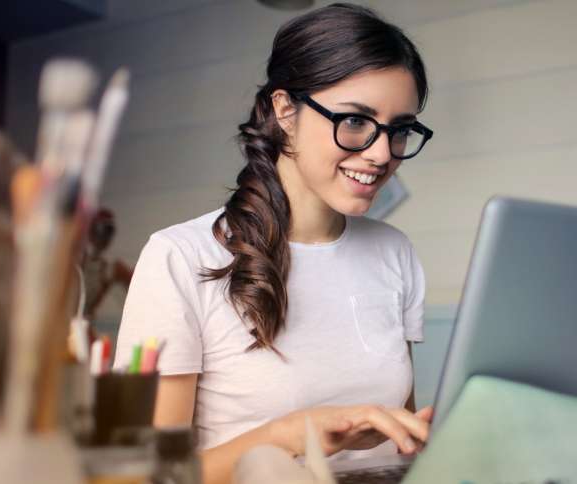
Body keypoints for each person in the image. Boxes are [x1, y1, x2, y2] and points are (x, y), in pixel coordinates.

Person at [115, 3, 435, 484]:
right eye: (354, 121)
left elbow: (403, 441)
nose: (381, 153)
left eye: (401, 129)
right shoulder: (180, 257)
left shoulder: (394, 251)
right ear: (286, 110)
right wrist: (290, 435)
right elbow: (146, 476)